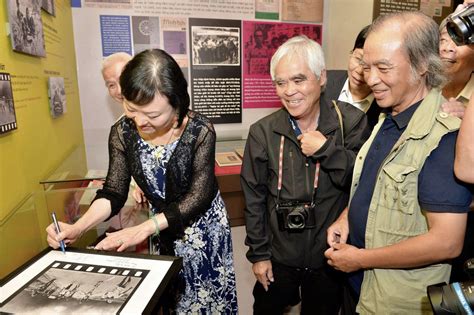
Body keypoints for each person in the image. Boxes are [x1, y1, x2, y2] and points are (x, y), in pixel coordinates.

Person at [46, 49, 238, 314]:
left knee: (207, 300)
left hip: (202, 229)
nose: (140, 121)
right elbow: (113, 191)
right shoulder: (122, 132)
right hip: (159, 228)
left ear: (177, 103)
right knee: (171, 299)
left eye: (153, 115)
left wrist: (144, 228)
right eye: (131, 109)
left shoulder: (199, 130)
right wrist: (79, 227)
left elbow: (200, 195)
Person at [325, 11, 472, 314]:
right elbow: (377, 186)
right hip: (362, 289)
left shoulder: (442, 139)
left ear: (421, 66)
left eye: (383, 68)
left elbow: (447, 242)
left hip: (396, 301)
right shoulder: (387, 118)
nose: (371, 78)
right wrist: (346, 217)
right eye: (368, 67)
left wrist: (360, 258)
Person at [240, 35, 371, 314]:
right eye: (281, 82)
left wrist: (327, 150)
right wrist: (259, 255)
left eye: (298, 80)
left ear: (321, 77)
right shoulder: (263, 132)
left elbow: (363, 183)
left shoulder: (351, 123)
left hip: (328, 258)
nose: (289, 91)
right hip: (278, 257)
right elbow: (254, 199)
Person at [325, 25, 381, 129]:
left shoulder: (385, 107)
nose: (359, 70)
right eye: (358, 59)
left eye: (367, 65)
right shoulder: (324, 81)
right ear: (351, 54)